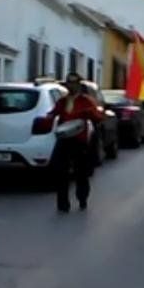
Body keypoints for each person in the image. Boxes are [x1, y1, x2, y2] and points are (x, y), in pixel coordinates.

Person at [48, 73, 104, 213]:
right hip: (64, 139)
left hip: (79, 140)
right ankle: (63, 204)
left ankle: (82, 198)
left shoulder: (86, 101)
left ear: (79, 84)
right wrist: (48, 117)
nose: (71, 85)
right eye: (69, 82)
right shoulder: (62, 101)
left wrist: (90, 112)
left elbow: (98, 118)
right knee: (60, 172)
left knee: (81, 173)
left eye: (74, 82)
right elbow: (53, 113)